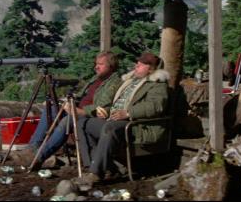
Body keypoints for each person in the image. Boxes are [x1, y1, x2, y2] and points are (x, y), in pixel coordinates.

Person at [12, 51, 122, 169]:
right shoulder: (96, 79)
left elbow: (102, 106)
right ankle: (32, 148)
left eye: (100, 64)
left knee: (66, 121)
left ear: (111, 66)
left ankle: (38, 158)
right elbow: (81, 96)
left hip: (89, 115)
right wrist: (69, 101)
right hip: (77, 107)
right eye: (96, 63)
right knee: (52, 108)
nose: (96, 67)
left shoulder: (114, 82)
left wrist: (79, 111)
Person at [77, 52, 170, 183]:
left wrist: (128, 113)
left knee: (110, 127)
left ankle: (95, 173)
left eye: (140, 65)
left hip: (137, 125)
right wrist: (105, 110)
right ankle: (97, 165)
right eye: (136, 64)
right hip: (115, 120)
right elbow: (119, 104)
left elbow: (156, 106)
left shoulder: (157, 84)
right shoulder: (130, 82)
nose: (136, 66)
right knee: (83, 123)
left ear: (151, 69)